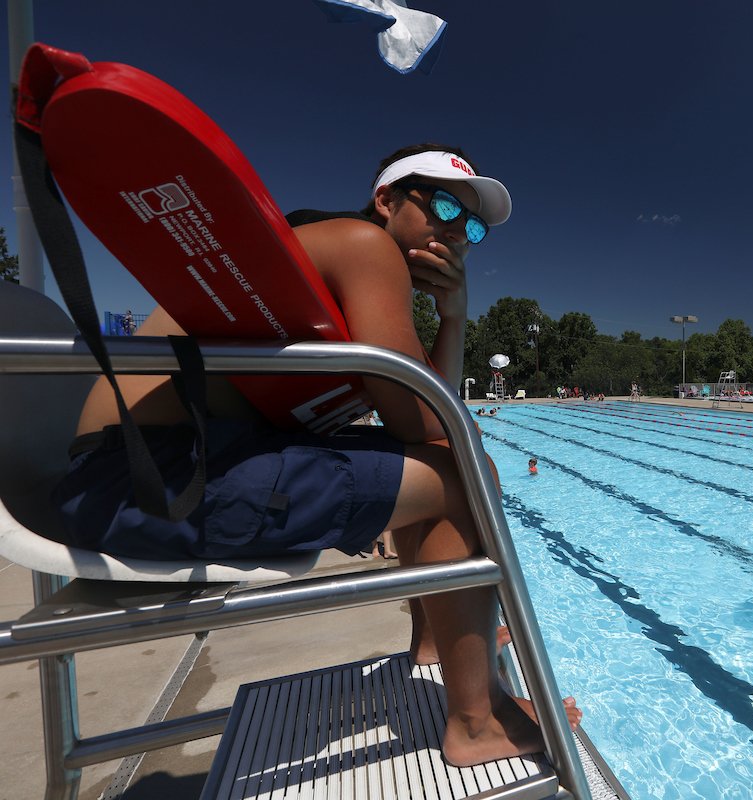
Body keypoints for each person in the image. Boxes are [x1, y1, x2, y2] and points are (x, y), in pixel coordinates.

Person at [52, 144, 577, 766]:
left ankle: (438, 643)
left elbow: (427, 416)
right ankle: (477, 721)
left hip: (130, 473)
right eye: (443, 206)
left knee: (438, 461)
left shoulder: (327, 255)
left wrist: (451, 317)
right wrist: (456, 321)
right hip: (147, 481)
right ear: (386, 200)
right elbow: (438, 424)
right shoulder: (366, 246)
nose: (457, 232)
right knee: (467, 475)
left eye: (472, 225)